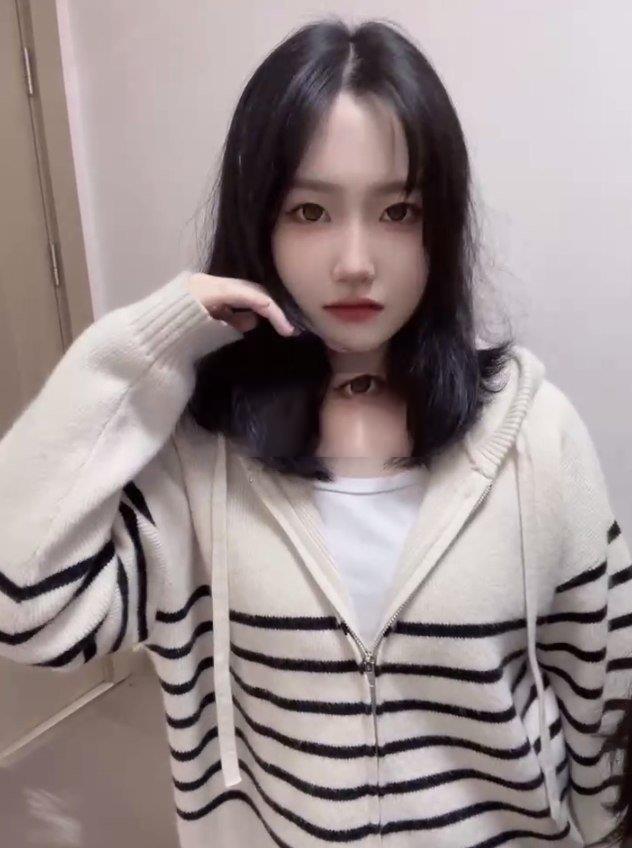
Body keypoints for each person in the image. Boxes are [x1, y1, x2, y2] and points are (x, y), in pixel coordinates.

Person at [1, 15, 630, 848]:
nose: (355, 261)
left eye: (399, 210)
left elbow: (602, 687)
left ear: (442, 224)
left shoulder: (533, 435)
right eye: (309, 210)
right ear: (257, 222)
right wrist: (137, 352)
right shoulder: (199, 453)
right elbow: (25, 610)